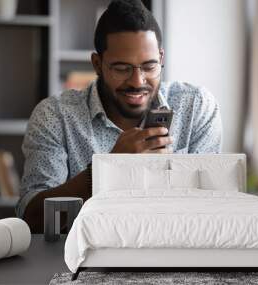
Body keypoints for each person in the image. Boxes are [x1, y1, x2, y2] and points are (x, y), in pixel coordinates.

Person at [17, 0, 222, 232]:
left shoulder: (195, 107)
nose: (137, 81)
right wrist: (109, 169)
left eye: (149, 66)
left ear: (161, 59)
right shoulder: (55, 116)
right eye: (122, 68)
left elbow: (212, 209)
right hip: (82, 259)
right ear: (97, 64)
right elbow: (32, 219)